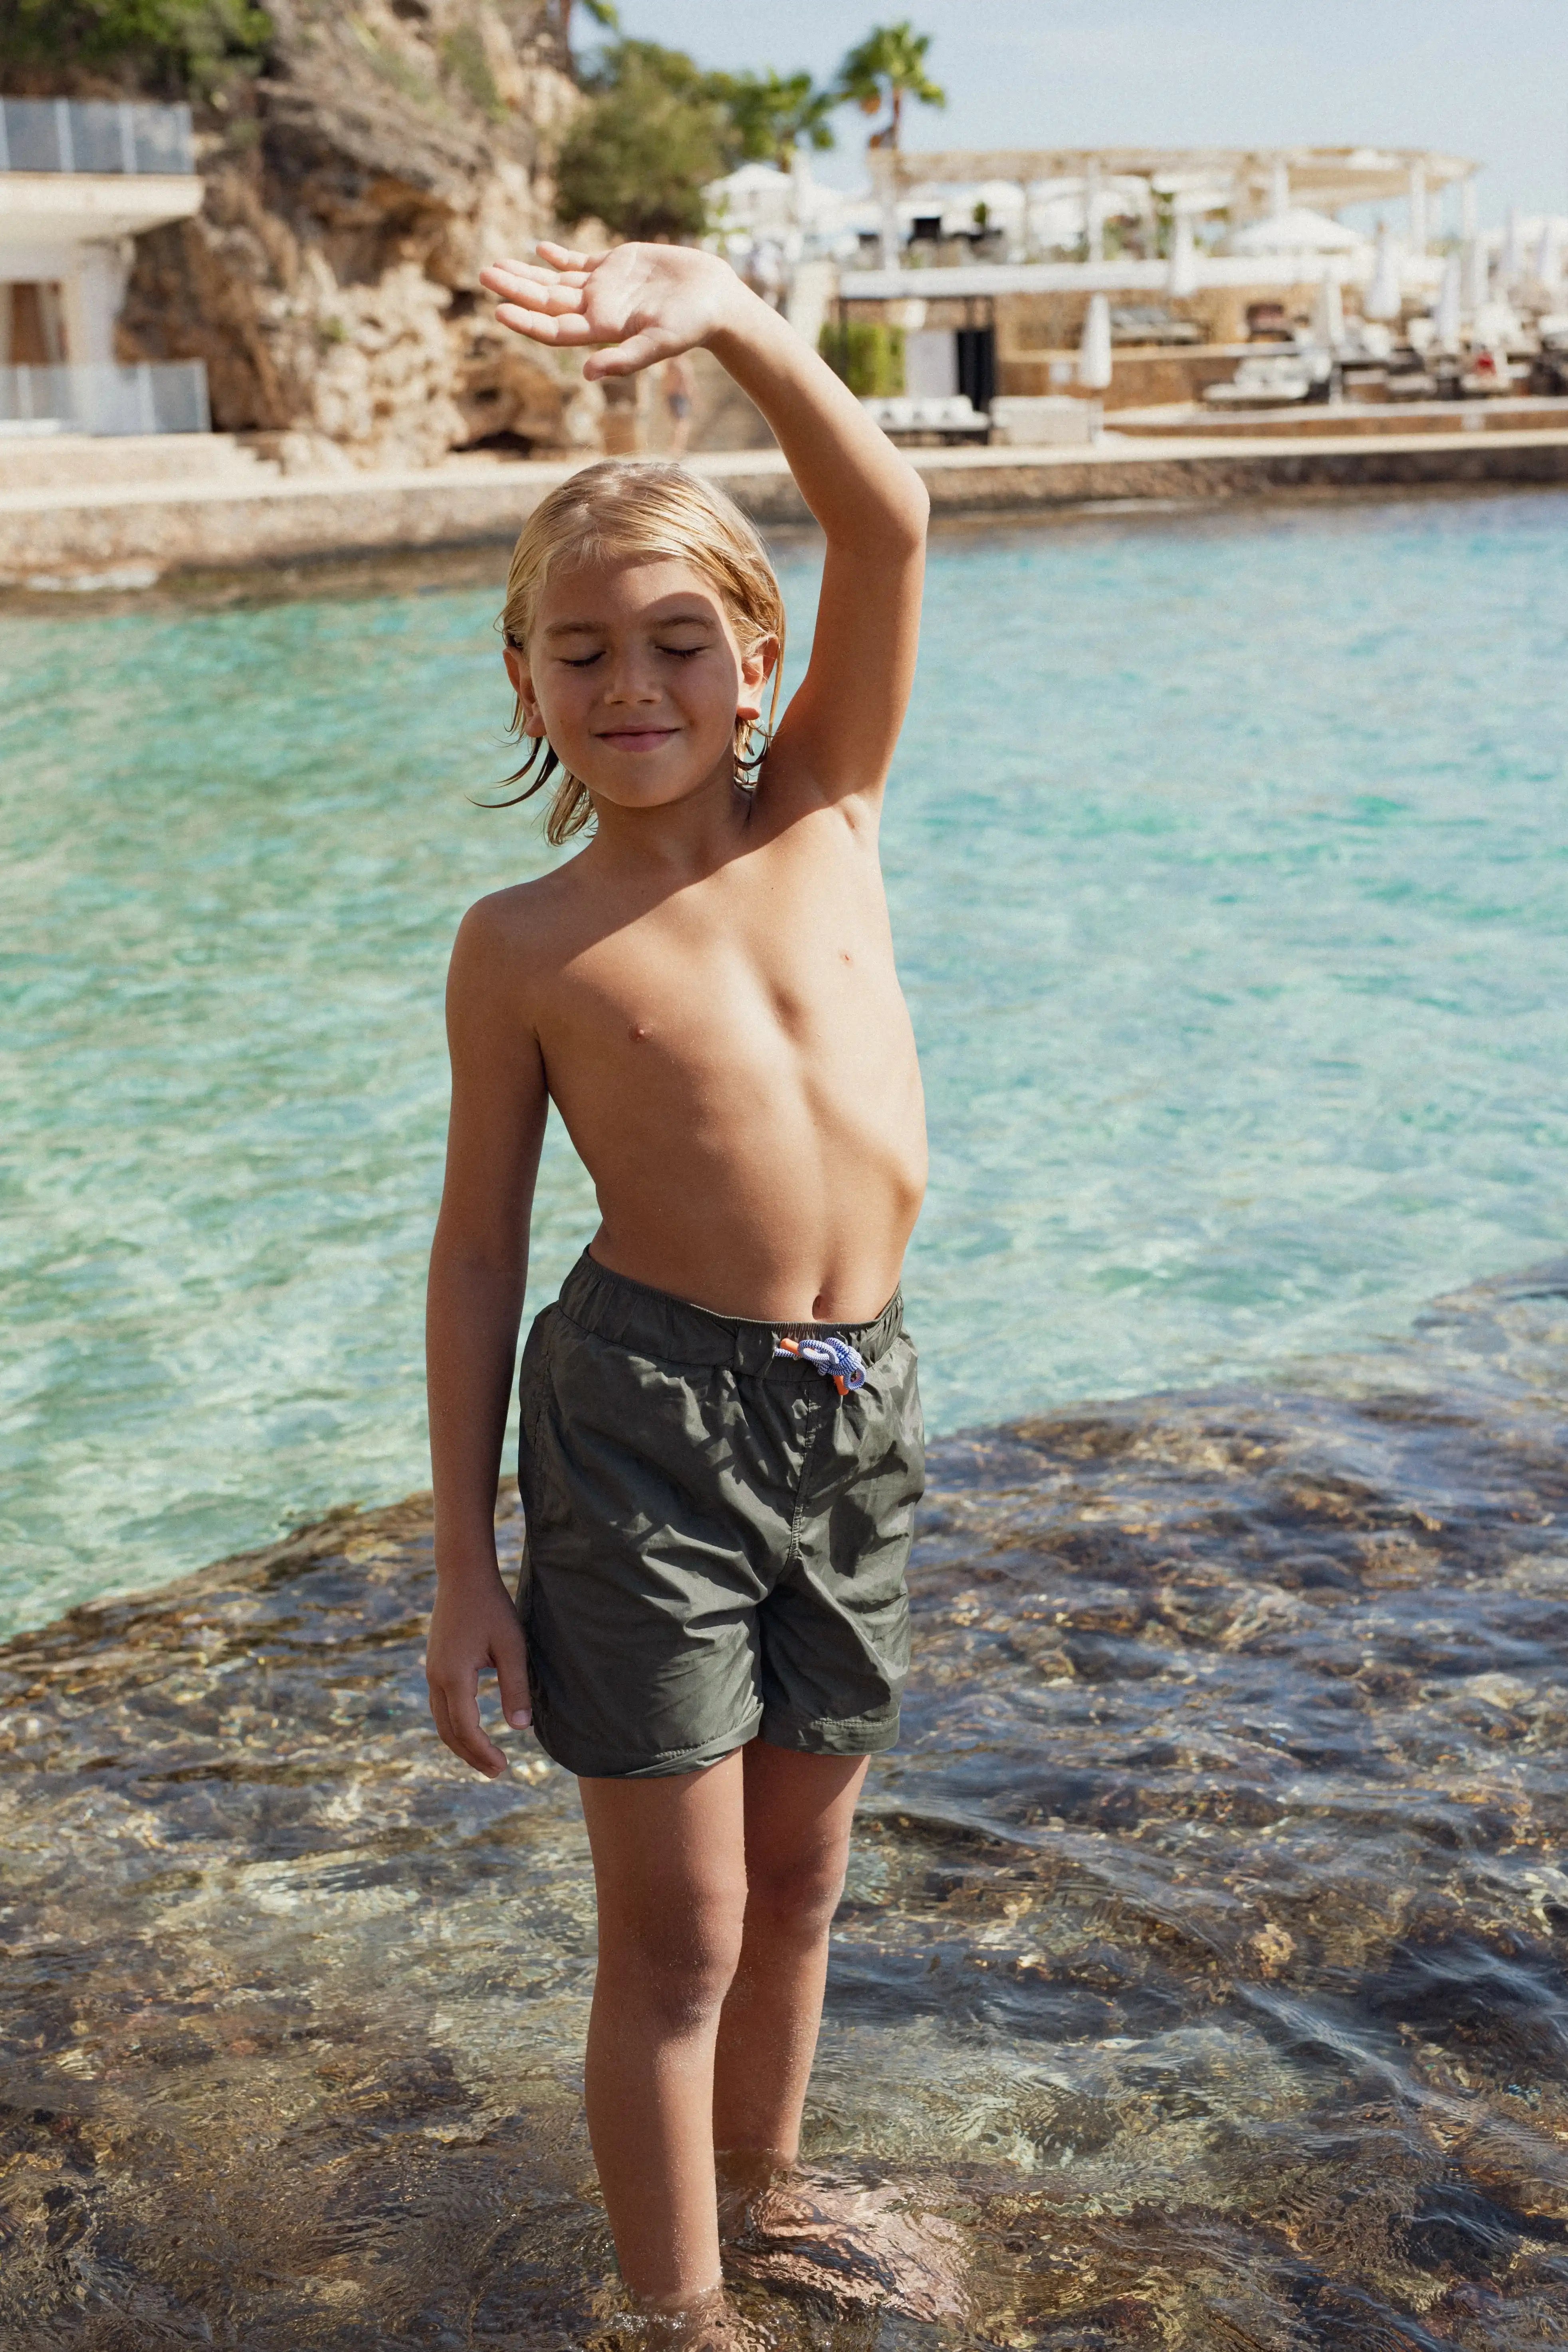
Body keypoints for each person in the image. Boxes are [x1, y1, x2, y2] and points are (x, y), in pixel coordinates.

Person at [423, 238, 930, 2348]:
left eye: (673, 644)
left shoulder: (824, 803)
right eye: (578, 654)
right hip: (642, 1424)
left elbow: (888, 511)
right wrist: (464, 1559)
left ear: (757, 656)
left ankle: (766, 2197)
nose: (630, 687)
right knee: (682, 1934)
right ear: (523, 683)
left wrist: (731, 317)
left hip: (860, 1403)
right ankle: (678, 2315)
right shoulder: (526, 942)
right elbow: (475, 1248)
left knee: (803, 1885)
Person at [661, 350, 695, 454]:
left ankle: (675, 448)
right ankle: (677, 449)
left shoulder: (670, 365)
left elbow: (665, 384)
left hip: (671, 397)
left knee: (677, 424)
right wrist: (693, 399)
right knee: (683, 424)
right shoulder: (683, 365)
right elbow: (687, 384)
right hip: (681, 397)